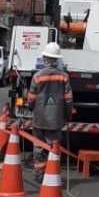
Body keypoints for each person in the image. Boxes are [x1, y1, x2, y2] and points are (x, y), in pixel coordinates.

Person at [26, 42, 74, 183]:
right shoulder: (64, 77)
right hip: (55, 119)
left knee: (38, 146)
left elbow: (31, 97)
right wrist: (68, 115)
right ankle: (52, 173)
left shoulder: (37, 76)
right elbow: (68, 99)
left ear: (45, 58)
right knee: (53, 147)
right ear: (57, 59)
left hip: (39, 118)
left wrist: (30, 108)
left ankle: (39, 174)